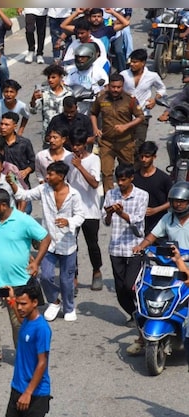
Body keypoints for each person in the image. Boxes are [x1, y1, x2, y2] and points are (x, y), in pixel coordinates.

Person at [0, 188, 50, 371]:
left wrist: (36, 262)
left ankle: (22, 356)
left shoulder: (23, 220)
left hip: (19, 285)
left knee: (19, 324)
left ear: (4, 205)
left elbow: (46, 238)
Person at [10, 161, 85, 322]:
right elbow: (24, 195)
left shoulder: (74, 194)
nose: (47, 176)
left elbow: (80, 216)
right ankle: (54, 301)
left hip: (67, 245)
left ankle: (69, 307)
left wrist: (69, 222)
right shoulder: (44, 189)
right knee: (45, 277)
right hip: (48, 244)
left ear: (61, 176)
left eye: (51, 174)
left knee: (66, 280)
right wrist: (13, 184)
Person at [130, 182, 189, 355]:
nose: (177, 204)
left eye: (181, 201)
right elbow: (152, 237)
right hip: (170, 264)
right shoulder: (167, 218)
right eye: (174, 200)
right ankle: (141, 338)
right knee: (145, 290)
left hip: (186, 268)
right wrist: (141, 246)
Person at [103, 164, 148, 328]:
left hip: (135, 246)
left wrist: (121, 213)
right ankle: (133, 313)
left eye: (123, 180)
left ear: (131, 178)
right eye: (118, 179)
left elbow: (137, 219)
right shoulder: (110, 194)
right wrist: (109, 213)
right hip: (116, 248)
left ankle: (143, 310)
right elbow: (106, 222)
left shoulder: (142, 195)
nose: (120, 183)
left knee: (131, 285)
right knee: (120, 288)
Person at [3, 283, 52, 417]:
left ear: (35, 302)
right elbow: (20, 319)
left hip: (35, 394)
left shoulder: (42, 329)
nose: (19, 308)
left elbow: (42, 362)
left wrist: (28, 393)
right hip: (17, 388)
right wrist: (12, 300)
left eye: (23, 304)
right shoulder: (27, 321)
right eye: (18, 304)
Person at [90, 73, 145, 192]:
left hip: (125, 143)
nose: (115, 90)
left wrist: (126, 126)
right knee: (106, 173)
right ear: (109, 85)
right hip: (106, 142)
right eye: (113, 87)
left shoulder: (130, 100)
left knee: (127, 173)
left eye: (118, 87)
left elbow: (140, 117)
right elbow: (93, 113)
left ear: (122, 86)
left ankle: (126, 197)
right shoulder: (101, 98)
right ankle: (109, 200)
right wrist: (95, 128)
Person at [67, 129, 103, 291]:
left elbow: (95, 183)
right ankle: (73, 276)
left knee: (92, 244)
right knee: (71, 244)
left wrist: (80, 167)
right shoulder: (67, 159)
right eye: (73, 145)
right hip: (72, 210)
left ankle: (96, 271)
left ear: (84, 145)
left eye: (79, 145)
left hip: (90, 209)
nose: (75, 148)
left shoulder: (94, 160)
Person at [0, 112, 36, 213]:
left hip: (21, 187)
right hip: (2, 189)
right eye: (1, 124)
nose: (3, 127)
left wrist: (26, 171)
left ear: (15, 126)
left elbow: (33, 162)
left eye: (6, 125)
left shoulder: (24, 143)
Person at [121, 49, 166, 148]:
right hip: (125, 115)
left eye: (135, 62)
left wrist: (155, 100)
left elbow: (162, 88)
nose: (132, 64)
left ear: (143, 63)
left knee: (138, 144)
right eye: (131, 61)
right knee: (124, 145)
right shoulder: (124, 75)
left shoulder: (152, 76)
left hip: (143, 115)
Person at [133, 141, 173, 235]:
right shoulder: (134, 178)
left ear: (154, 157)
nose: (143, 159)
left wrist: (156, 210)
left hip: (159, 225)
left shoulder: (164, 178)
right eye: (141, 156)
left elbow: (172, 201)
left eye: (147, 156)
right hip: (138, 226)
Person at [31, 64, 73, 148]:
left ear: (60, 77)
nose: (50, 80)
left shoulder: (69, 93)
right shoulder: (43, 92)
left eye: (53, 77)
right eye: (48, 78)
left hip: (65, 135)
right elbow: (33, 111)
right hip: (49, 135)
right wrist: (33, 100)